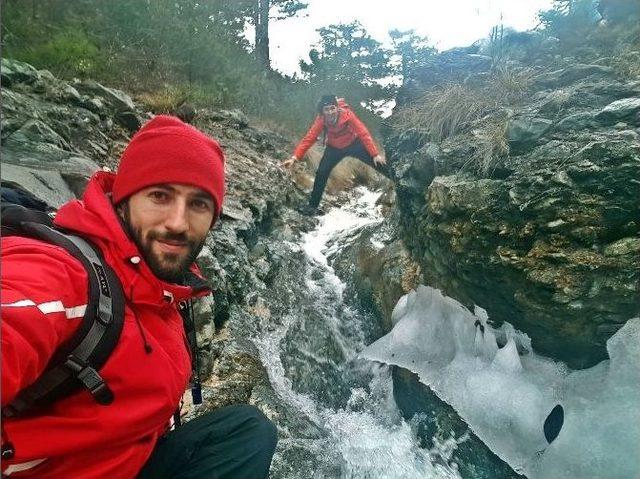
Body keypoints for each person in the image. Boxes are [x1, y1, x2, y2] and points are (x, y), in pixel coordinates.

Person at [1, 116, 278, 479]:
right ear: (124, 200)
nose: (178, 223)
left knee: (247, 430)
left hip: (128, 459)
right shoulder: (61, 275)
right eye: (160, 196)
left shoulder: (162, 282)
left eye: (198, 204)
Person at [282, 94, 390, 214]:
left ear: (337, 108)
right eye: (326, 109)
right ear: (322, 112)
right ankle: (312, 207)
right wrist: (294, 158)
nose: (330, 112)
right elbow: (309, 138)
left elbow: (363, 133)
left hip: (354, 144)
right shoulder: (321, 120)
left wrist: (375, 154)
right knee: (321, 173)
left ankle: (398, 180)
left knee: (377, 162)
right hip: (334, 148)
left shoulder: (347, 115)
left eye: (332, 108)